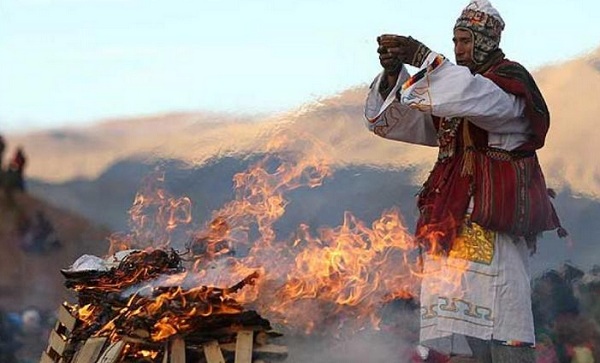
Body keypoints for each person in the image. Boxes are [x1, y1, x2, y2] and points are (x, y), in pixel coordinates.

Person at [363, 1, 566, 362]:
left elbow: (478, 99)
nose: (458, 49)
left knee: (504, 324)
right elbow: (404, 121)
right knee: (463, 331)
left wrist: (424, 57)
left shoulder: (508, 86)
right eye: (454, 41)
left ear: (486, 41)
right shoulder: (459, 94)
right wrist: (396, 75)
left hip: (493, 227)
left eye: (465, 41)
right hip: (452, 227)